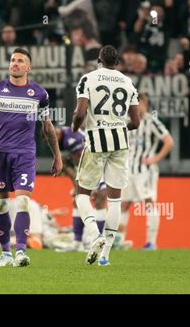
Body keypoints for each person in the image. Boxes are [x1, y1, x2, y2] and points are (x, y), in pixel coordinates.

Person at [0, 48, 63, 267]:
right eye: (12, 60)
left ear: (28, 68)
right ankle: (5, 254)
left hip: (25, 154)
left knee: (22, 201)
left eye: (20, 61)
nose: (15, 64)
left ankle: (21, 251)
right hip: (1, 153)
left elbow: (47, 127)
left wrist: (57, 155)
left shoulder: (39, 94)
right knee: (1, 205)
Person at [72, 45, 140, 266]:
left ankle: (95, 234)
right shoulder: (127, 82)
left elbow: (80, 112)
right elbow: (136, 122)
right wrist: (118, 128)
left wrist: (75, 127)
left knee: (82, 194)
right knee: (114, 199)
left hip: (95, 140)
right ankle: (105, 257)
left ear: (99, 60)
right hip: (120, 142)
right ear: (117, 62)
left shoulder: (88, 79)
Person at [119, 93, 174, 250]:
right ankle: (120, 240)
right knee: (123, 204)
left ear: (146, 105)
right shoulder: (126, 121)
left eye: (139, 103)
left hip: (145, 170)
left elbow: (169, 142)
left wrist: (155, 158)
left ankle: (151, 242)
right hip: (128, 169)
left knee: (149, 203)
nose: (136, 106)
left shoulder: (151, 122)